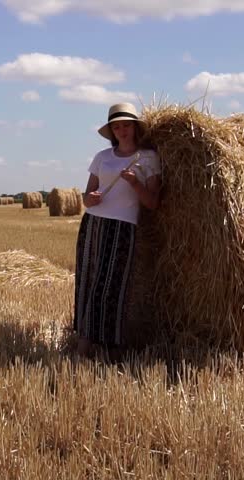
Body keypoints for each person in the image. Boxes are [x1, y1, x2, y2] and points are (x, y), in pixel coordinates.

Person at [74, 102, 161, 357]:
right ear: (111, 130)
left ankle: (112, 346)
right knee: (88, 282)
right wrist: (90, 199)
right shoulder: (102, 157)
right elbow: (86, 196)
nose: (121, 130)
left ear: (135, 127)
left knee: (113, 285)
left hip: (123, 227)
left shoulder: (148, 158)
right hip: (93, 224)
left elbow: (153, 203)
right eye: (116, 126)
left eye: (126, 125)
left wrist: (135, 184)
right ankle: (84, 344)